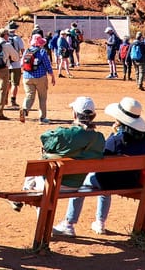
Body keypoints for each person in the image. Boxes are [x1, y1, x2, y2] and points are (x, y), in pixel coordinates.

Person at [60, 97, 145, 235]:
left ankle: (69, 223)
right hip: (132, 181)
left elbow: (99, 158)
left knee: (83, 182)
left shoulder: (116, 140)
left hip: (110, 182)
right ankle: (100, 222)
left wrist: (113, 135)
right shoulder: (144, 140)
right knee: (105, 177)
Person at [41, 97, 106, 236]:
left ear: (74, 114)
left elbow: (45, 139)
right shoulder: (99, 138)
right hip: (77, 185)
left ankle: (44, 228)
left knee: (40, 167)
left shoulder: (66, 134)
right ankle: (68, 223)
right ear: (93, 116)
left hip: (53, 184)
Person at [19, 34, 55, 124]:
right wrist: (52, 76)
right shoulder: (42, 52)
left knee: (29, 96)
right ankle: (42, 118)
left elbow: (21, 64)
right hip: (40, 77)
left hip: (27, 77)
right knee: (42, 98)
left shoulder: (27, 50)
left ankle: (24, 109)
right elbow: (48, 66)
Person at [6, 23, 25, 108]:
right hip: (16, 64)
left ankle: (4, 99)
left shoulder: (5, 39)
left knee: (7, 83)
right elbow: (23, 51)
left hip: (6, 64)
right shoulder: (17, 38)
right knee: (15, 84)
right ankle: (13, 101)